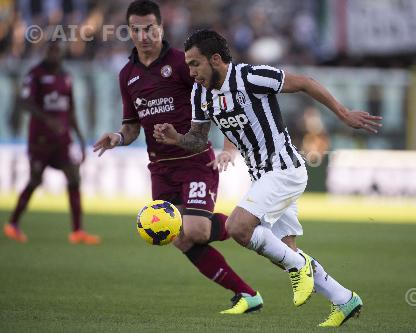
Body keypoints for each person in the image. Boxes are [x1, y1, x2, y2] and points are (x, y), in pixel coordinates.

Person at [153, 29, 383, 327]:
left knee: (239, 228)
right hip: (261, 175)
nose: (191, 71)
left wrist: (342, 113)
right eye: (188, 64)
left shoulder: (251, 77)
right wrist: (177, 139)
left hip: (284, 169)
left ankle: (301, 268)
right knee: (285, 251)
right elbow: (198, 139)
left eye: (195, 64)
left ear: (216, 59)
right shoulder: (201, 93)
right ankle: (344, 299)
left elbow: (305, 83)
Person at [92, 0, 262, 314]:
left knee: (196, 229)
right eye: (137, 29)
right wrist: (117, 137)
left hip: (195, 160)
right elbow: (131, 127)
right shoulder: (127, 74)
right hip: (160, 170)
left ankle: (253, 226)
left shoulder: (183, 63)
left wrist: (227, 147)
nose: (144, 35)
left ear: (161, 27)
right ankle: (247, 294)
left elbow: (221, 98)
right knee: (181, 239)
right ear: (129, 31)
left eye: (150, 28)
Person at [3, 42, 100, 245]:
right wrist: (47, 120)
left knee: (74, 178)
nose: (54, 55)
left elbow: (71, 110)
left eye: (57, 51)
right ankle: (12, 224)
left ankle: (77, 231)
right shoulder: (35, 74)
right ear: (45, 52)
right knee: (35, 180)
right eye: (50, 51)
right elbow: (24, 101)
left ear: (62, 53)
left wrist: (81, 140)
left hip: (62, 141)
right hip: (40, 140)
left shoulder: (66, 76)